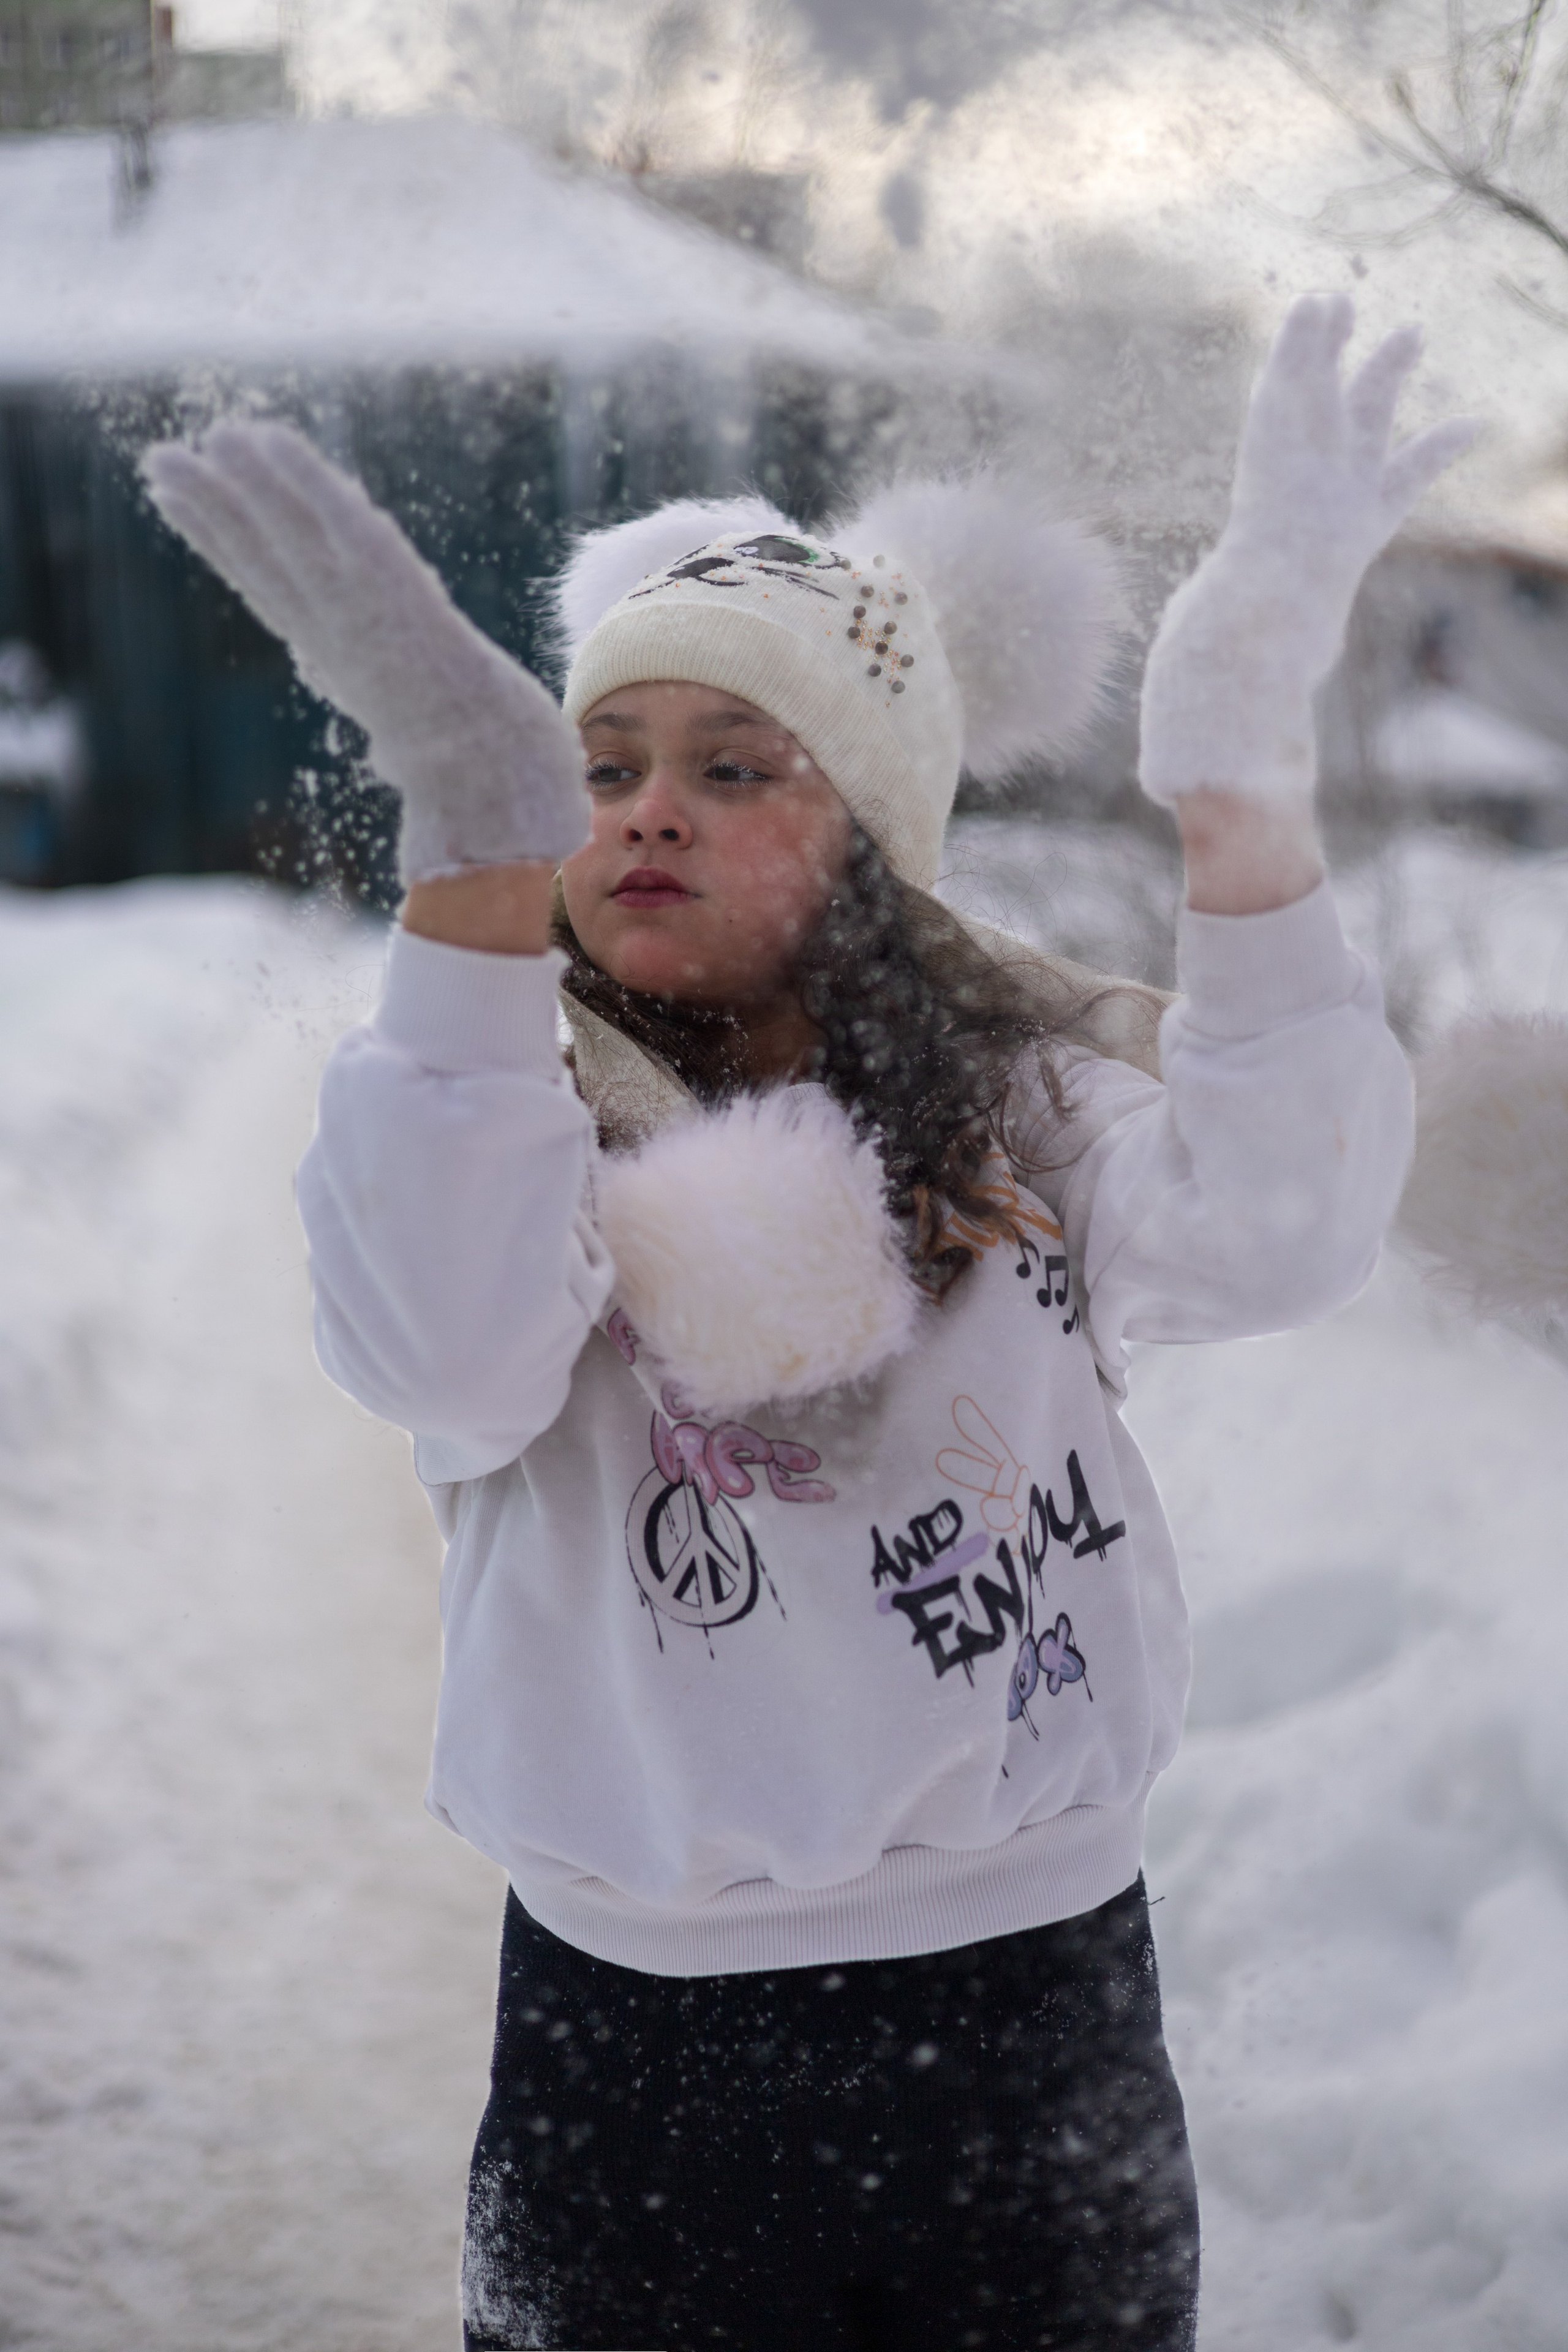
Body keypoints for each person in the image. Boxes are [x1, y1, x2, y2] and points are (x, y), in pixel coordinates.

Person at [144, 294, 1474, 2352]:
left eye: (733, 766)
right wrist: (473, 869)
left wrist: (1239, 787)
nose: (645, 808)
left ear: (873, 842)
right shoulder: (500, 1110)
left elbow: (1283, 1225)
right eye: (598, 767)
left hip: (1035, 2017)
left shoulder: (1026, 1105)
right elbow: (439, 1349)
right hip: (640, 2056)